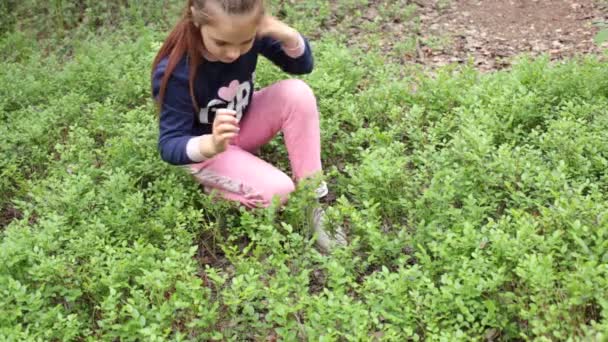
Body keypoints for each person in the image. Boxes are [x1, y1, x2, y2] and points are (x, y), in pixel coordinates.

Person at [150, 0, 346, 252]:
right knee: (280, 191)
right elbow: (169, 144)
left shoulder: (245, 29)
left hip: (240, 124)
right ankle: (214, 187)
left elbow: (301, 66)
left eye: (245, 42)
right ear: (196, 18)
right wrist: (211, 144)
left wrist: (281, 31)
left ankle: (311, 200)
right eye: (221, 42)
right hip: (207, 149)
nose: (233, 53)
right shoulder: (177, 70)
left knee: (297, 93)